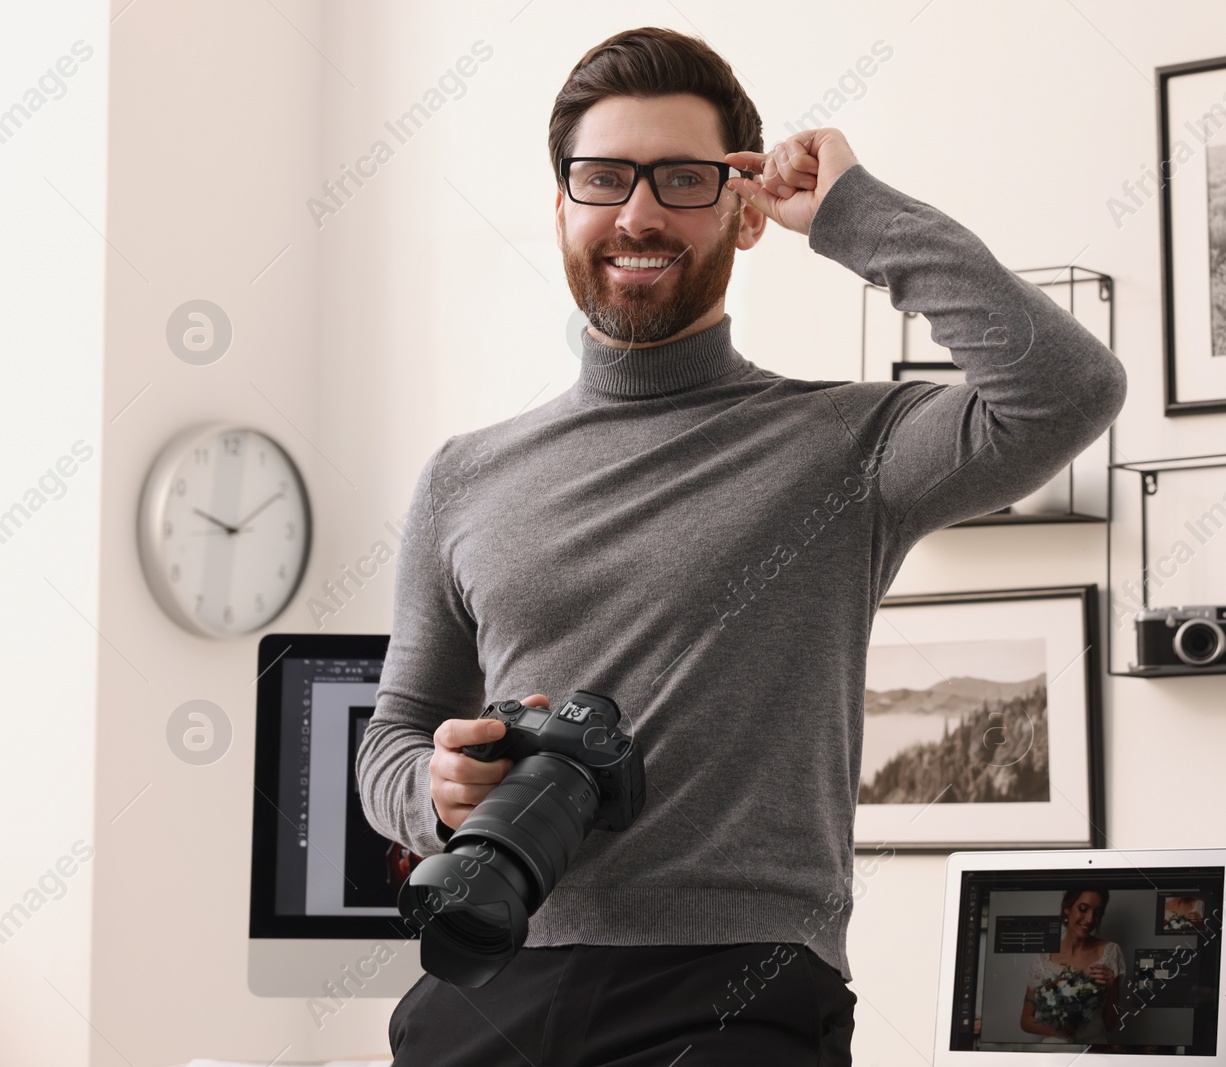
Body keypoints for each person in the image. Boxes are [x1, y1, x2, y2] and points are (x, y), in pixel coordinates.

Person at [357, 25, 1126, 1067]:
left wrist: (855, 212)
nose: (637, 213)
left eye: (681, 178)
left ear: (744, 210)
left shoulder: (847, 446)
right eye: (603, 178)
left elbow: (1067, 389)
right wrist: (436, 790)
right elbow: (393, 734)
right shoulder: (464, 473)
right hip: (491, 968)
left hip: (737, 985)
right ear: (560, 206)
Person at [1019, 888, 1125, 1044]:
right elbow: (1026, 1020)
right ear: (1067, 908)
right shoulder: (1042, 959)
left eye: (1097, 913)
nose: (1089, 919)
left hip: (1094, 1049)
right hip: (1054, 1051)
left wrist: (1113, 989)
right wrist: (1058, 1030)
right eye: (1083, 909)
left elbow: (1111, 1025)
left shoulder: (1110, 953)